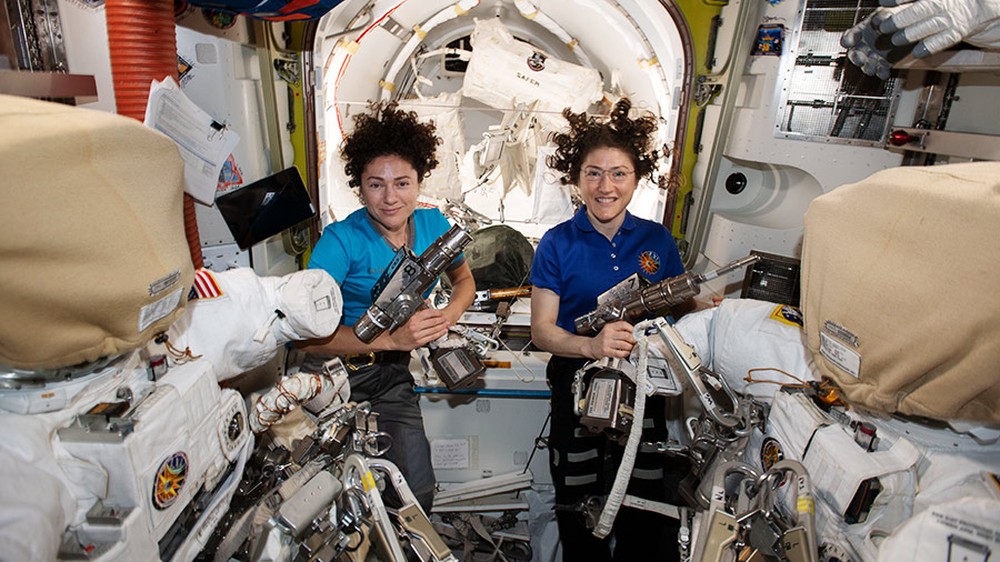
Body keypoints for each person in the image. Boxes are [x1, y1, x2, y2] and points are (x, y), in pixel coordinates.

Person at [529, 98, 687, 562]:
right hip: (575, 385)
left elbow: (675, 305)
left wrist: (702, 303)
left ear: (636, 180)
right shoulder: (556, 243)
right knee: (578, 500)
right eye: (593, 173)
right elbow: (541, 331)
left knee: (643, 500)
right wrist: (592, 345)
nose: (605, 186)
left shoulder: (656, 240)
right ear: (577, 179)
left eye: (619, 173)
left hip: (644, 388)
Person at [300, 101, 475, 513]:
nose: (390, 197)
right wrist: (393, 338)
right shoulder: (341, 242)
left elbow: (464, 281)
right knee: (340, 504)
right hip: (334, 378)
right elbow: (307, 340)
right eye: (376, 184)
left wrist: (444, 320)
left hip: (391, 378)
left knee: (414, 493)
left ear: (419, 182)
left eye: (402, 183)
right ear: (359, 186)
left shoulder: (435, 227)